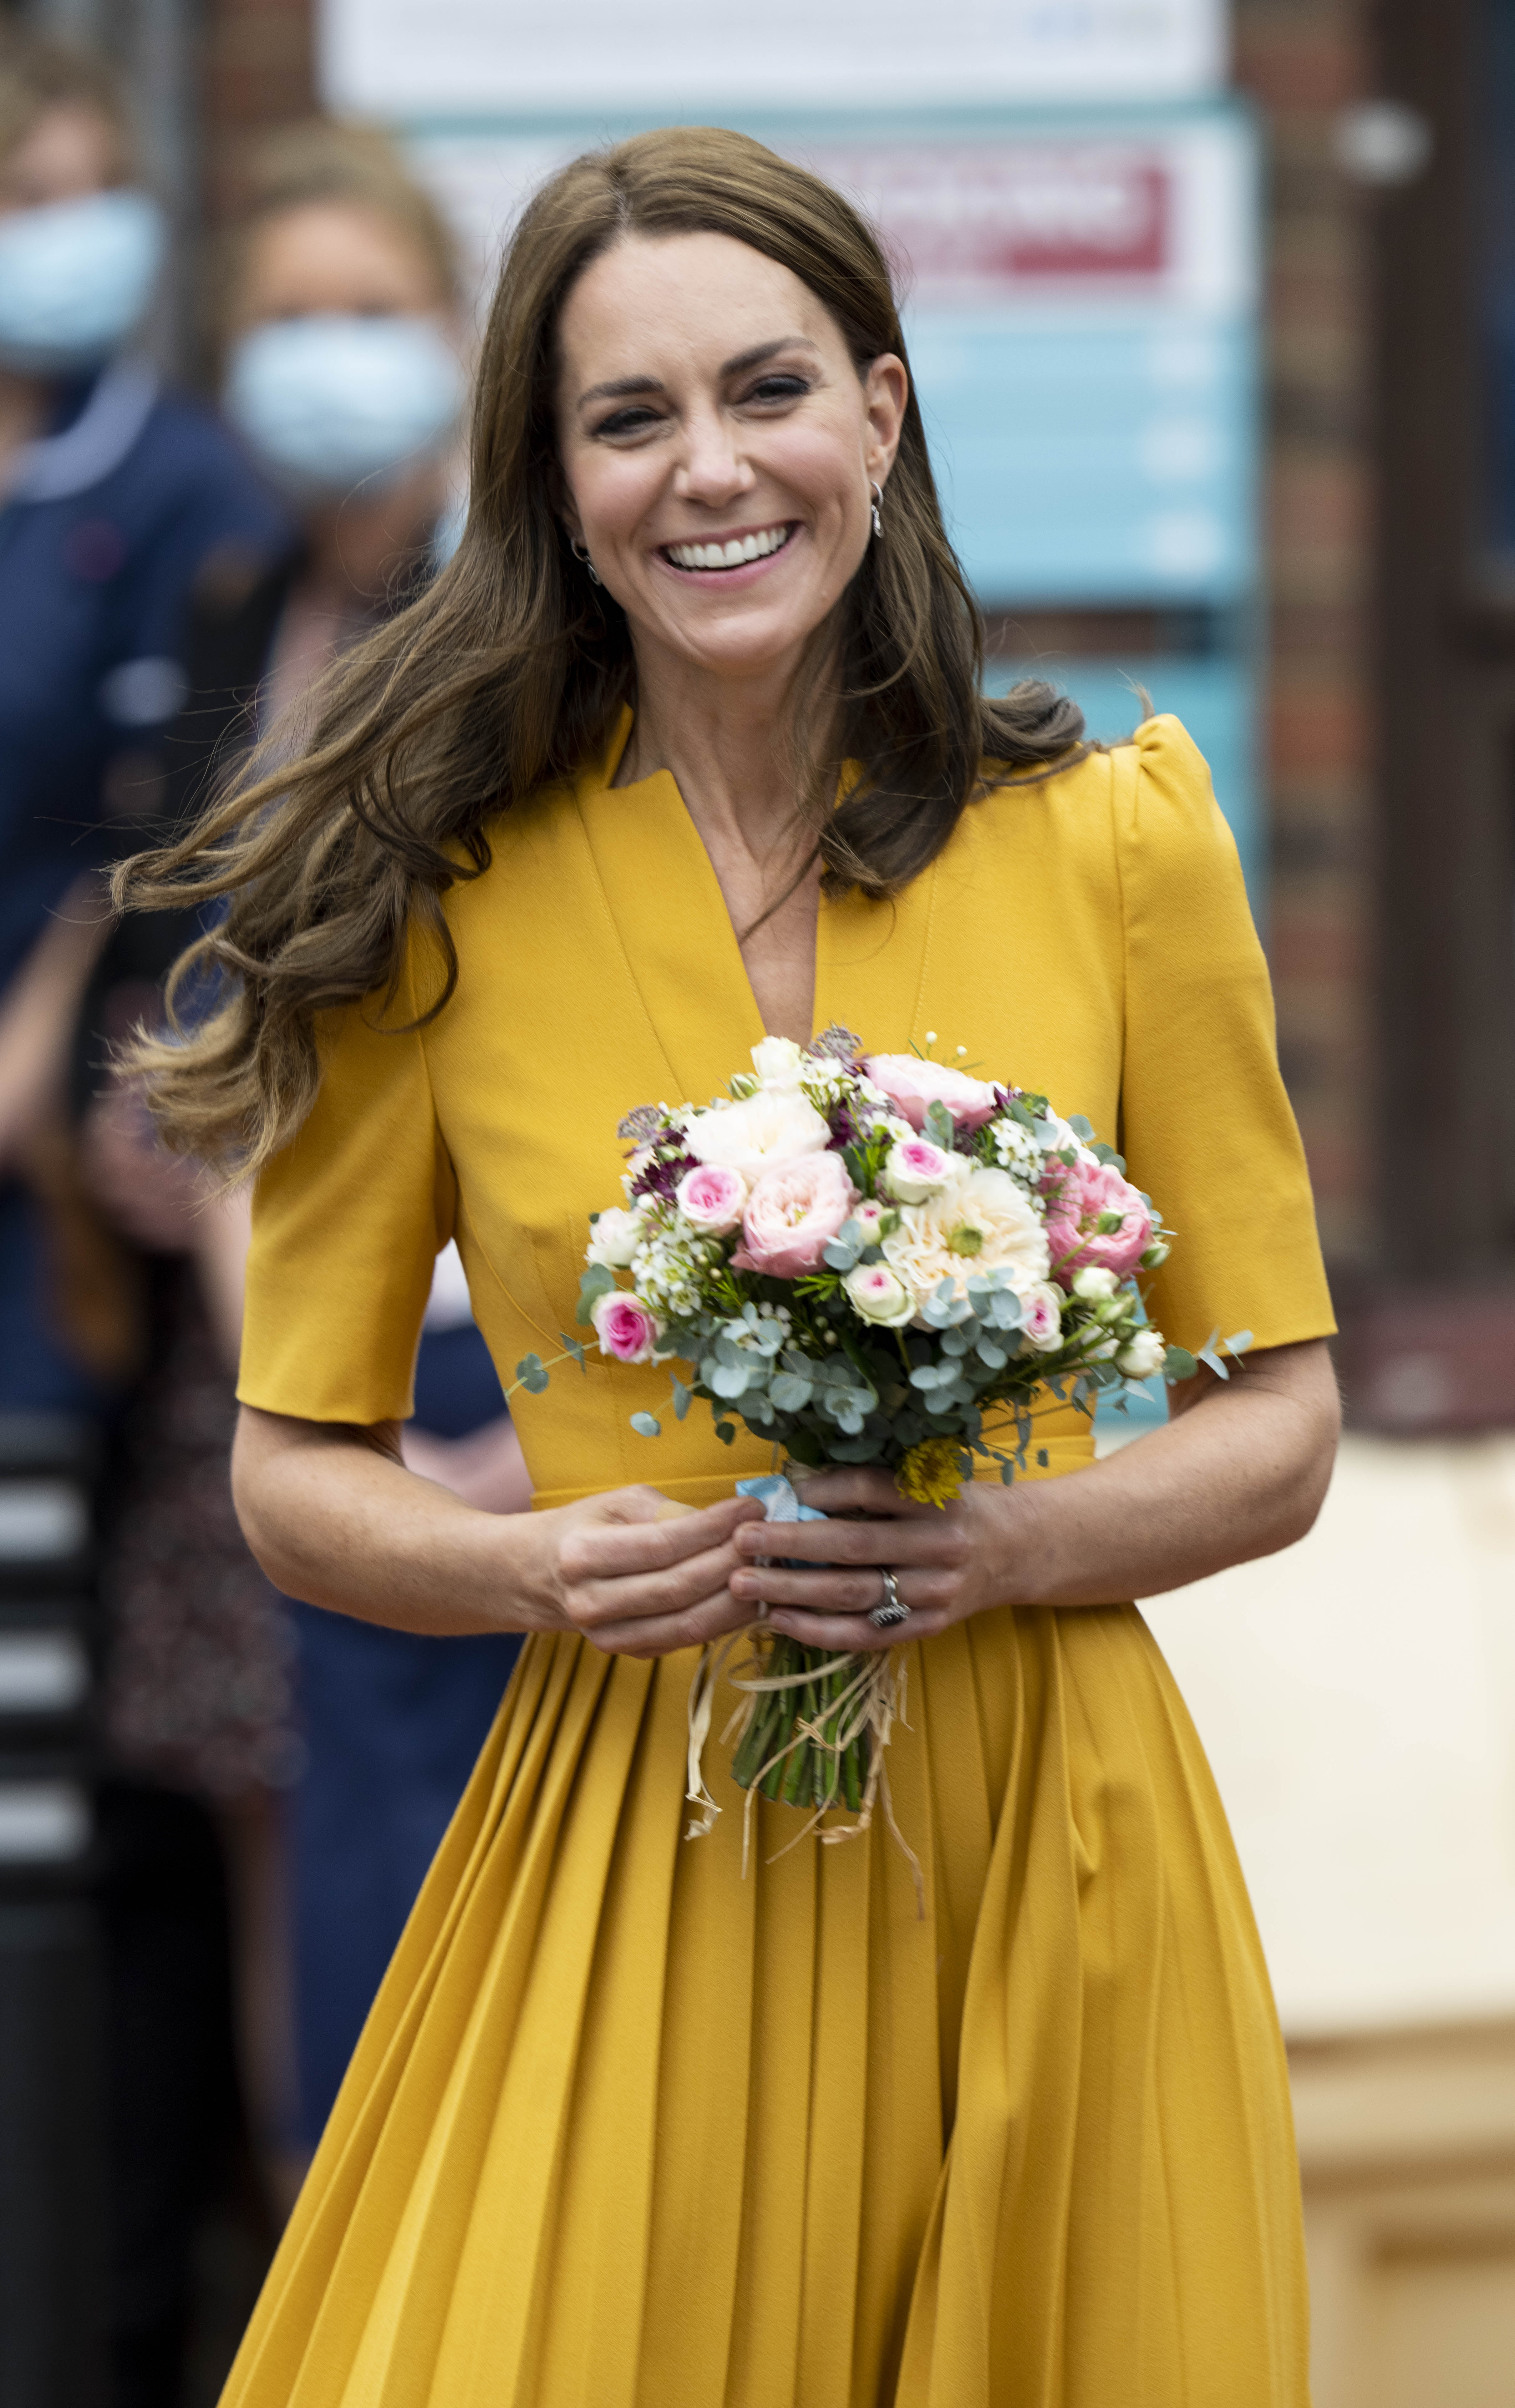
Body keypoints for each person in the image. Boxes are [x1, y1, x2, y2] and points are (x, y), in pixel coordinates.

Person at [119, 128, 1340, 2407]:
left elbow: (1282, 1426)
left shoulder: (1119, 844)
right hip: (629, 1841)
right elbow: (297, 1471)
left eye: (767, 391)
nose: (712, 472)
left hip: (1041, 1845)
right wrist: (526, 1569)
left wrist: (1006, 1545)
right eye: (628, 418)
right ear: (556, 479)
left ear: (880, 413)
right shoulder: (433, 885)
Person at [120, 118, 528, 2156]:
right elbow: (197, 1012)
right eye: (284, 322)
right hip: (287, 1359)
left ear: (455, 338)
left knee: (496, 1902)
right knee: (319, 1875)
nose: (327, 358)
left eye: (367, 314)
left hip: (499, 1382)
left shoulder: (524, 632)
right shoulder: (231, 610)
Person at [0, 25, 287, 1413]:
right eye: (30, 197)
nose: (75, 236)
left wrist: (34, 1051)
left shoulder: (182, 481)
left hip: (58, 1110)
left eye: (97, 191)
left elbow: (160, 812)